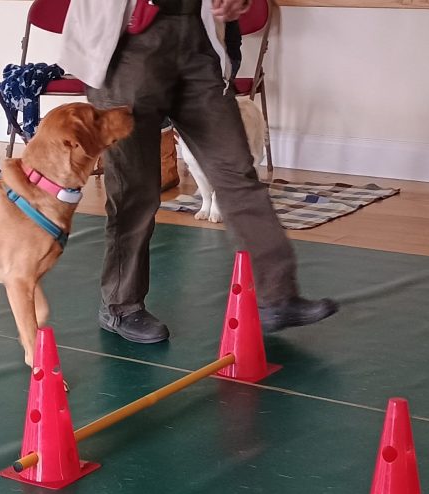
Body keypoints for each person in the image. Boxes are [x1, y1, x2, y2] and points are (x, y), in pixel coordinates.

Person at [59, 0, 338, 344]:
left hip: (196, 37)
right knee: (137, 189)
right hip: (129, 42)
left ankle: (278, 296)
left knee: (235, 170)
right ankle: (121, 305)